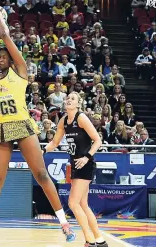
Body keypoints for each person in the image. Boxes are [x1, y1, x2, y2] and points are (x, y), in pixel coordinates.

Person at [0, 7, 75, 247]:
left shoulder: (20, 72)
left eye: (3, 56)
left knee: (41, 174)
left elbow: (7, 38)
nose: (0, 59)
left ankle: (64, 223)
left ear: (11, 57)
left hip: (22, 123)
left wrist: (0, 22)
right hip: (0, 127)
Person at [43, 92, 108, 247]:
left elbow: (98, 140)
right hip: (75, 164)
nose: (68, 100)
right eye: (67, 98)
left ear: (78, 104)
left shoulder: (81, 118)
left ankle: (89, 241)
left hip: (85, 164)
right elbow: (54, 143)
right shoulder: (64, 121)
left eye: (72, 99)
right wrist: (42, 151)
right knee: (83, 205)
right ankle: (100, 240)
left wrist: (87, 157)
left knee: (73, 203)